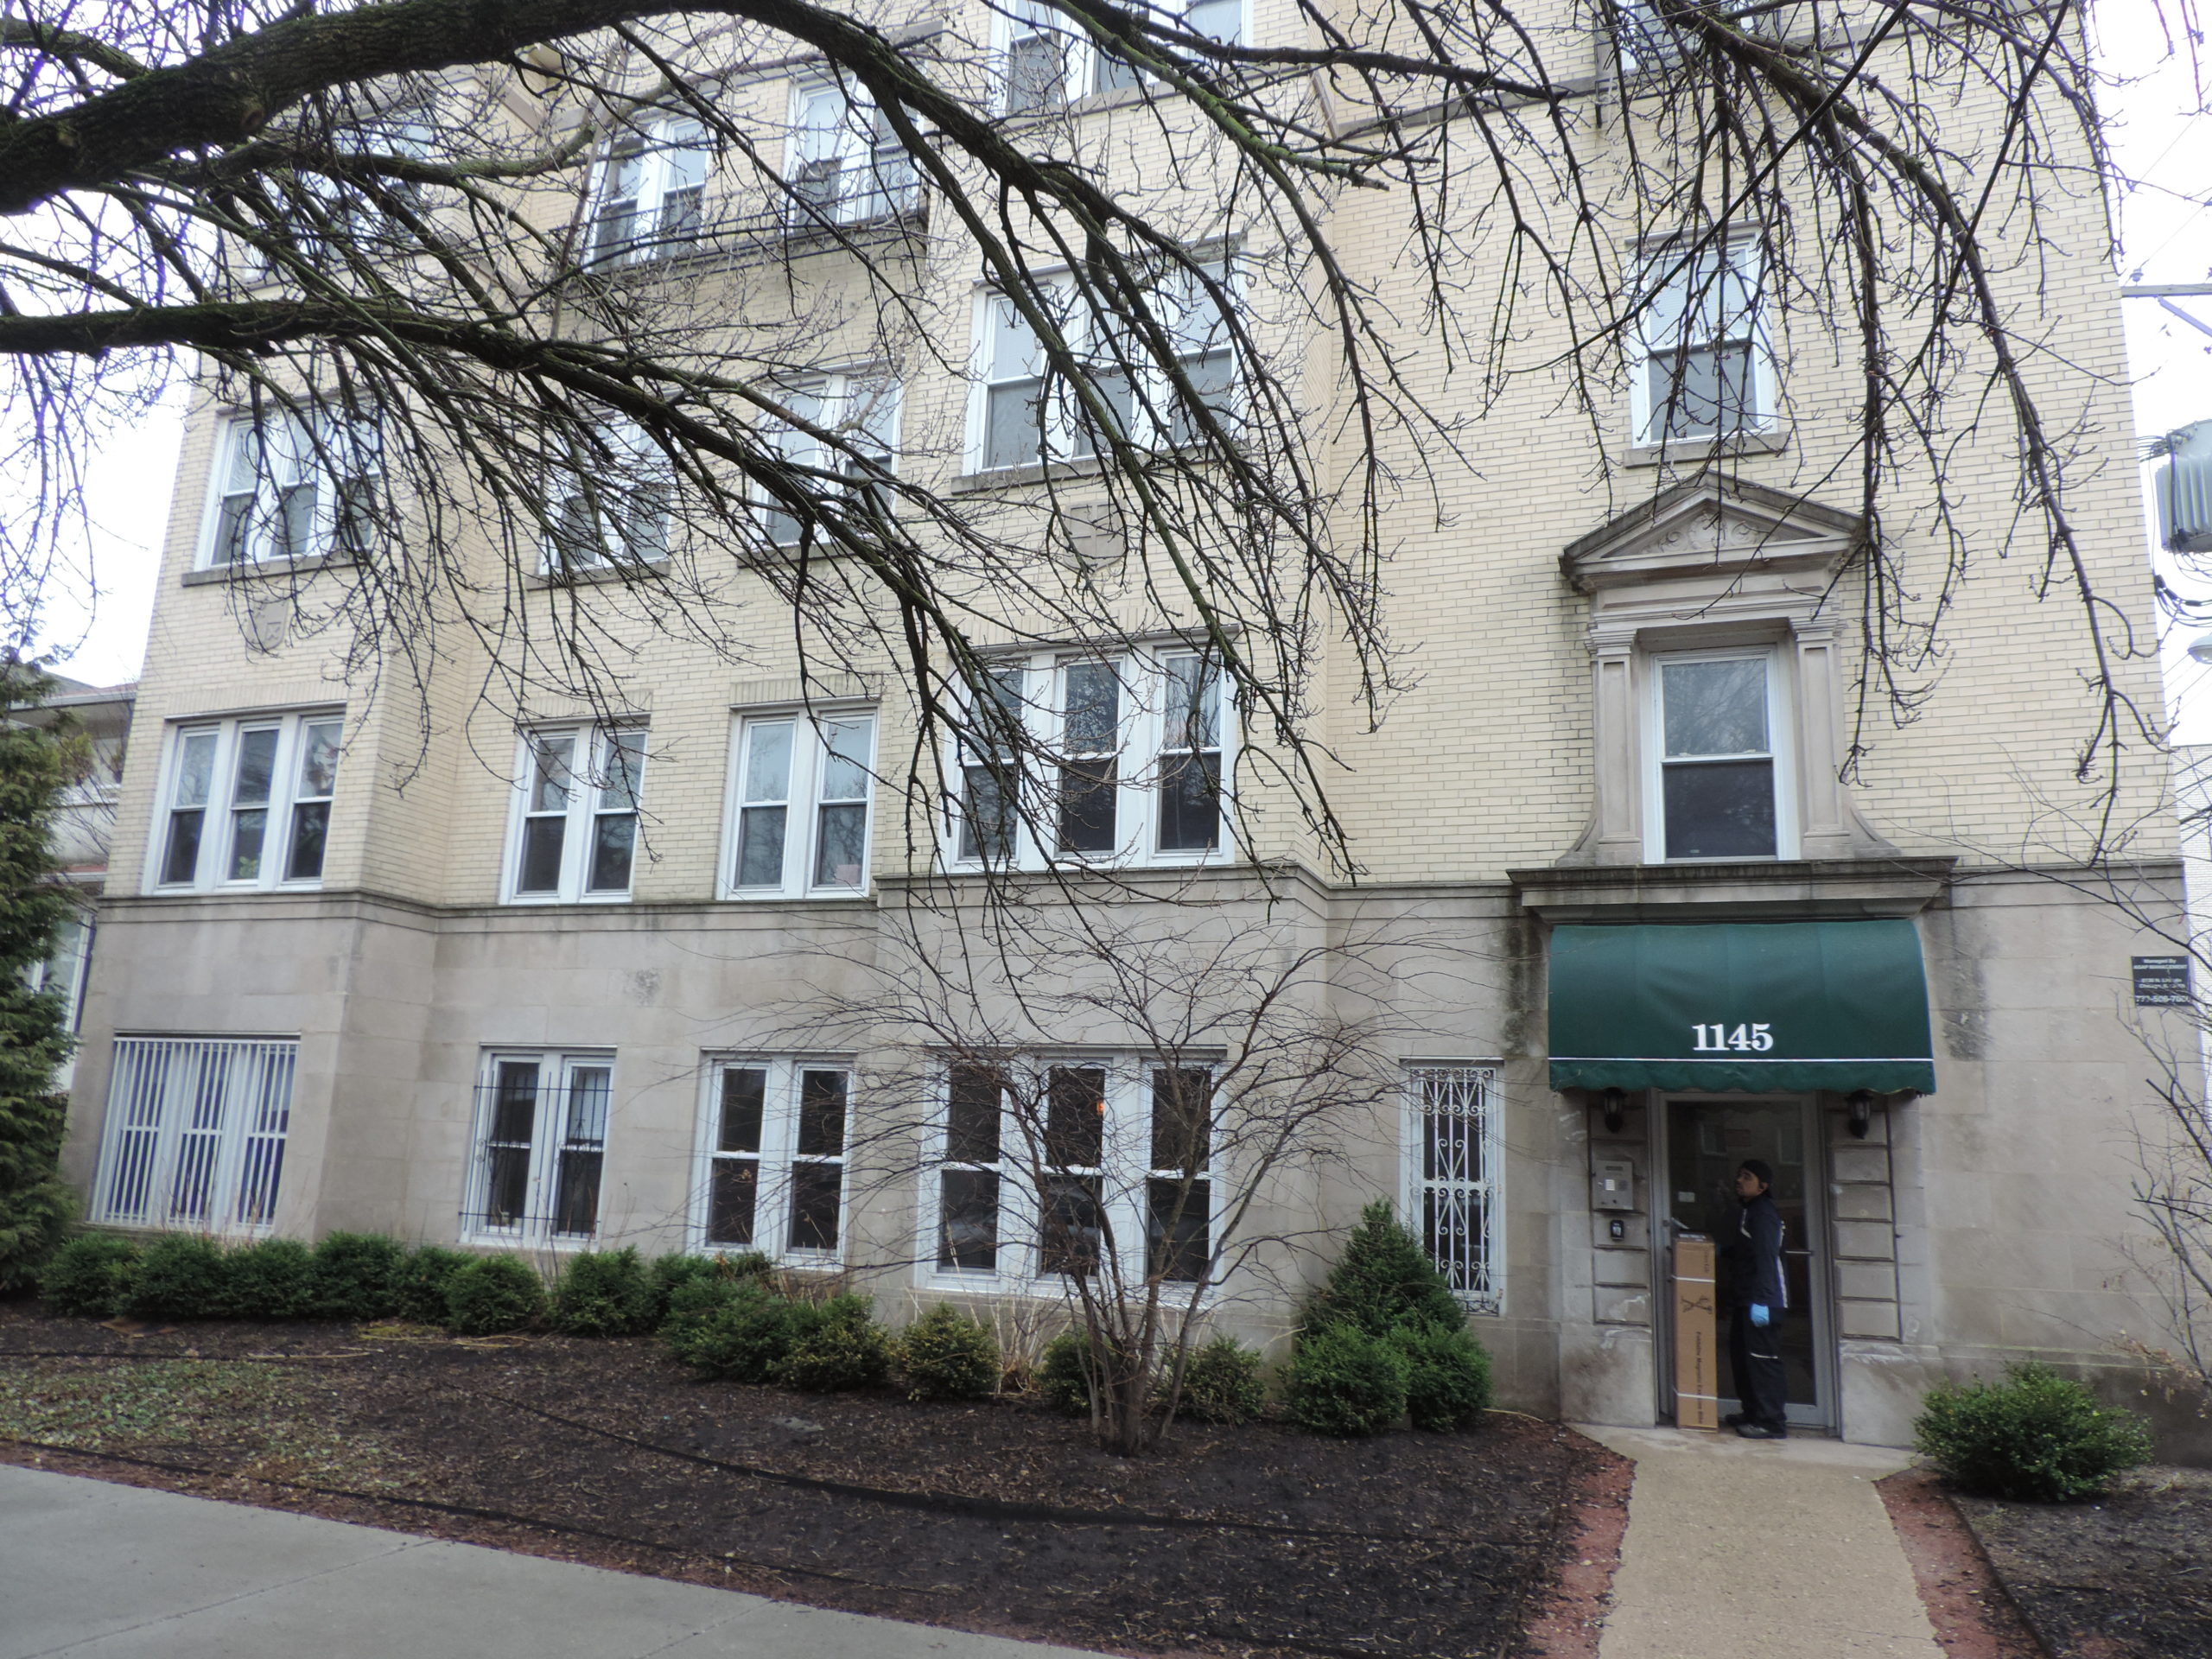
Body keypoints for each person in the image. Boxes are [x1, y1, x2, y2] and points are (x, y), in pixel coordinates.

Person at [1724, 1158, 1789, 1439]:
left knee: (1762, 1360)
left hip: (1764, 1301)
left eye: (1747, 1177)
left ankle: (1771, 1421)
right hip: (1746, 1300)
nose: (1739, 1181)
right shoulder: (1748, 1211)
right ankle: (1751, 1411)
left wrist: (1762, 1300)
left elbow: (1766, 1258)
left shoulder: (1763, 1214)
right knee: (1742, 1358)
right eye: (1739, 1175)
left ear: (1763, 1186)